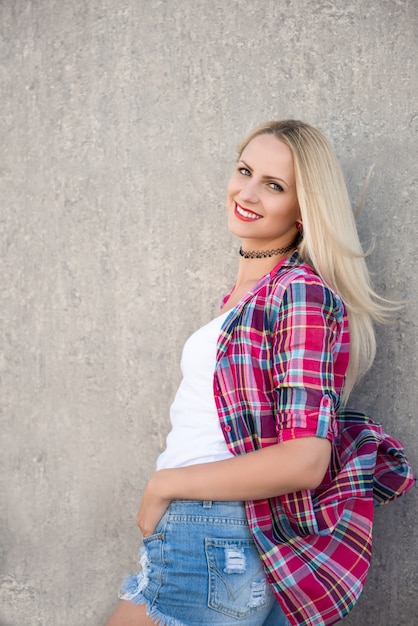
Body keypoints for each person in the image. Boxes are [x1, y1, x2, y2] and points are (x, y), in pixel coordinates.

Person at [105, 120, 413, 626]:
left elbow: (305, 459)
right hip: (207, 534)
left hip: (210, 531)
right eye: (245, 171)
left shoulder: (298, 293)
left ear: (303, 209)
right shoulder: (247, 299)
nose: (247, 193)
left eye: (274, 185)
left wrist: (164, 484)